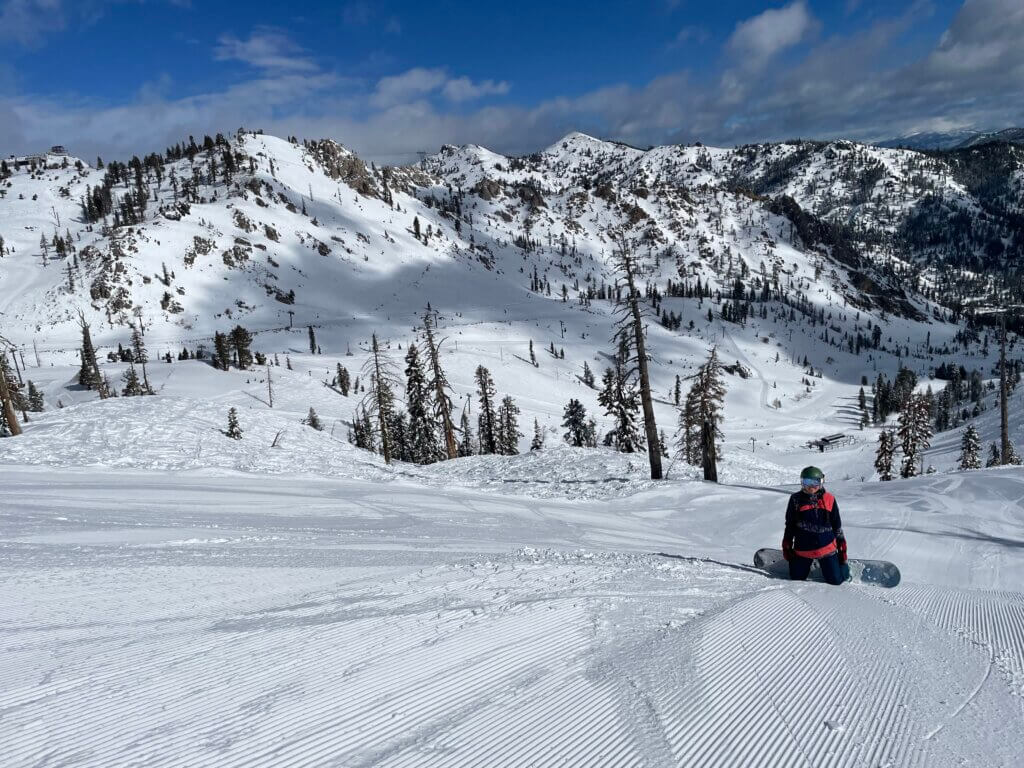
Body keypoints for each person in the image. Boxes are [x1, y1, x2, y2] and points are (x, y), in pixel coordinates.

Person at [782, 466, 847, 585]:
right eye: (807, 482)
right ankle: (805, 564)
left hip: (826, 547)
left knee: (836, 581)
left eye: (816, 482)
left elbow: (836, 524)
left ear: (821, 482)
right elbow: (790, 524)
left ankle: (839, 566)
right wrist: (787, 543)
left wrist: (842, 545)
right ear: (802, 482)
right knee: (796, 579)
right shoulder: (795, 499)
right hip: (803, 548)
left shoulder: (829, 499)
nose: (811, 486)